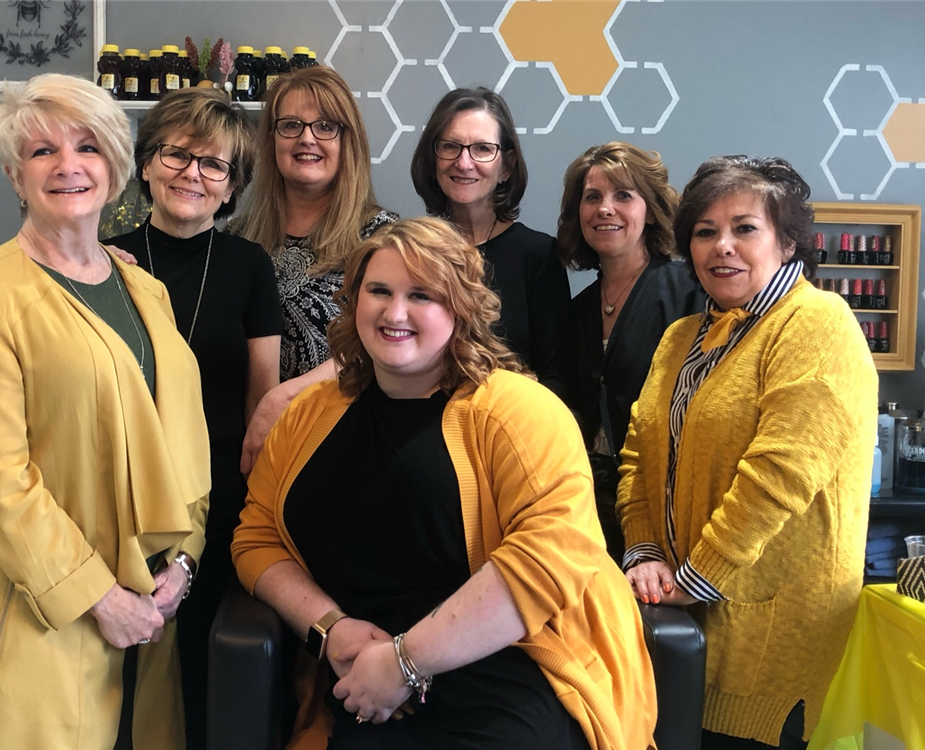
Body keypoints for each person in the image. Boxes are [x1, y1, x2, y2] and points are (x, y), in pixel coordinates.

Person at [232, 217, 657, 750]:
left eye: (422, 295)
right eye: (379, 291)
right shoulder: (307, 416)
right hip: (365, 681)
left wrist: (406, 661)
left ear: (461, 308)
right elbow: (257, 538)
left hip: (506, 673)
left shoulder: (519, 411)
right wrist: (331, 628)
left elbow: (549, 559)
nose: (395, 313)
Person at [0, 73, 209, 749]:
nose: (68, 165)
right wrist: (100, 598)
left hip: (150, 605)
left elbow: (181, 440)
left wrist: (183, 564)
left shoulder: (143, 288)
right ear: (14, 174)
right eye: (42, 151)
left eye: (87, 146)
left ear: (114, 167)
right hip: (44, 611)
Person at [616, 156, 877, 749]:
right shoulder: (681, 337)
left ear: (787, 242)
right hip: (675, 630)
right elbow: (638, 455)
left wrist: (695, 579)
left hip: (768, 651)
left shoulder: (817, 323)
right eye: (705, 231)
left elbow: (779, 476)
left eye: (745, 228)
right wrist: (645, 553)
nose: (722, 246)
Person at [106, 87, 283, 750]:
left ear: (233, 186)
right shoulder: (103, 261)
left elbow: (261, 398)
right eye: (177, 155)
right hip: (118, 493)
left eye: (214, 164)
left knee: (198, 671)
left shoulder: (249, 267)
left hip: (216, 491)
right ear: (147, 164)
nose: (193, 174)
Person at [236, 66, 397, 471]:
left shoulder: (382, 238)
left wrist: (284, 397)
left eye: (325, 126)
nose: (307, 138)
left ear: (348, 141)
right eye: (291, 125)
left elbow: (387, 342)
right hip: (249, 453)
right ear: (272, 139)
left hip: (348, 448)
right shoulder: (236, 238)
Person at [557, 143, 704, 558]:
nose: (605, 208)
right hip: (589, 508)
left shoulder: (690, 293)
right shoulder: (575, 310)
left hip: (665, 508)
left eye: (623, 195)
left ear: (651, 210)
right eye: (592, 197)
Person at [411, 87, 576, 404]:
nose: (464, 162)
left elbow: (558, 379)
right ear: (433, 160)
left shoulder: (539, 255)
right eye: (450, 146)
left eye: (482, 149)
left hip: (511, 423)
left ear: (507, 167)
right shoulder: (413, 253)